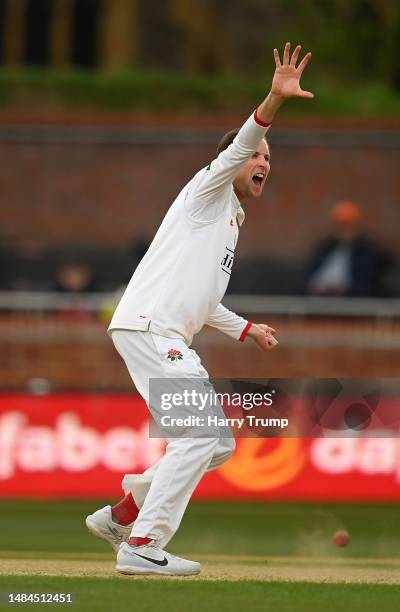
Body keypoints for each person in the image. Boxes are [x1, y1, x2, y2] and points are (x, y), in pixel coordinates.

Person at [86, 42, 313, 576]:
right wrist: (273, 101)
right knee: (198, 437)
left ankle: (125, 514)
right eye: (258, 156)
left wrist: (247, 328)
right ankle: (142, 544)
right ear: (231, 160)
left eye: (269, 161)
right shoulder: (207, 191)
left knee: (218, 445)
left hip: (154, 330)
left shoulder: (229, 219)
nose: (264, 163)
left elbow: (204, 299)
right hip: (152, 329)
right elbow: (243, 140)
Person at [304, 201, 387, 297]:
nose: (345, 230)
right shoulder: (324, 248)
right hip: (317, 295)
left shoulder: (365, 250)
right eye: (341, 225)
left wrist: (359, 241)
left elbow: (365, 281)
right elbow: (308, 276)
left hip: (346, 297)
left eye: (349, 225)